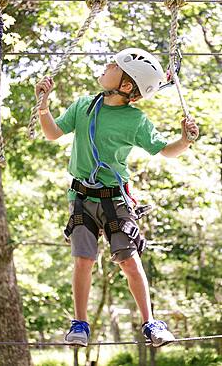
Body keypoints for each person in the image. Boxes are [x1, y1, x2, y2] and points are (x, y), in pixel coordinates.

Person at [35, 48, 199, 348]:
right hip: (82, 197)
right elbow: (53, 133)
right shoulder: (85, 105)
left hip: (116, 201)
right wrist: (43, 105)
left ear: (125, 86)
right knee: (83, 260)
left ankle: (150, 323)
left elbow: (165, 150)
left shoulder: (135, 121)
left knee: (130, 262)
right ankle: (80, 324)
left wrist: (185, 141)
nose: (107, 65)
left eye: (114, 65)